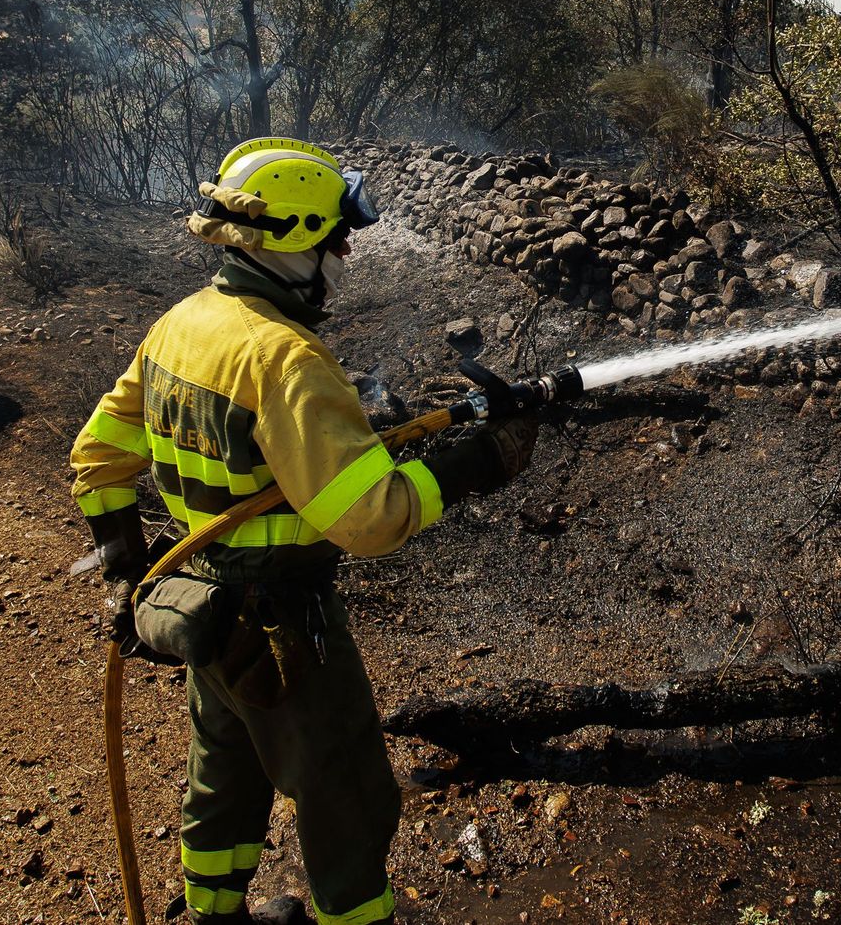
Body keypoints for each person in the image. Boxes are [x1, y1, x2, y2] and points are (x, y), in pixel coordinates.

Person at [70, 137, 535, 925]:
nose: (346, 250)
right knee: (346, 792)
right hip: (284, 623)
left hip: (201, 609)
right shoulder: (284, 358)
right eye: (333, 235)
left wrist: (125, 564)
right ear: (290, 240)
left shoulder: (183, 325)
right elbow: (370, 516)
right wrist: (476, 466)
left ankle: (215, 914)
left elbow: (98, 455)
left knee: (225, 773)